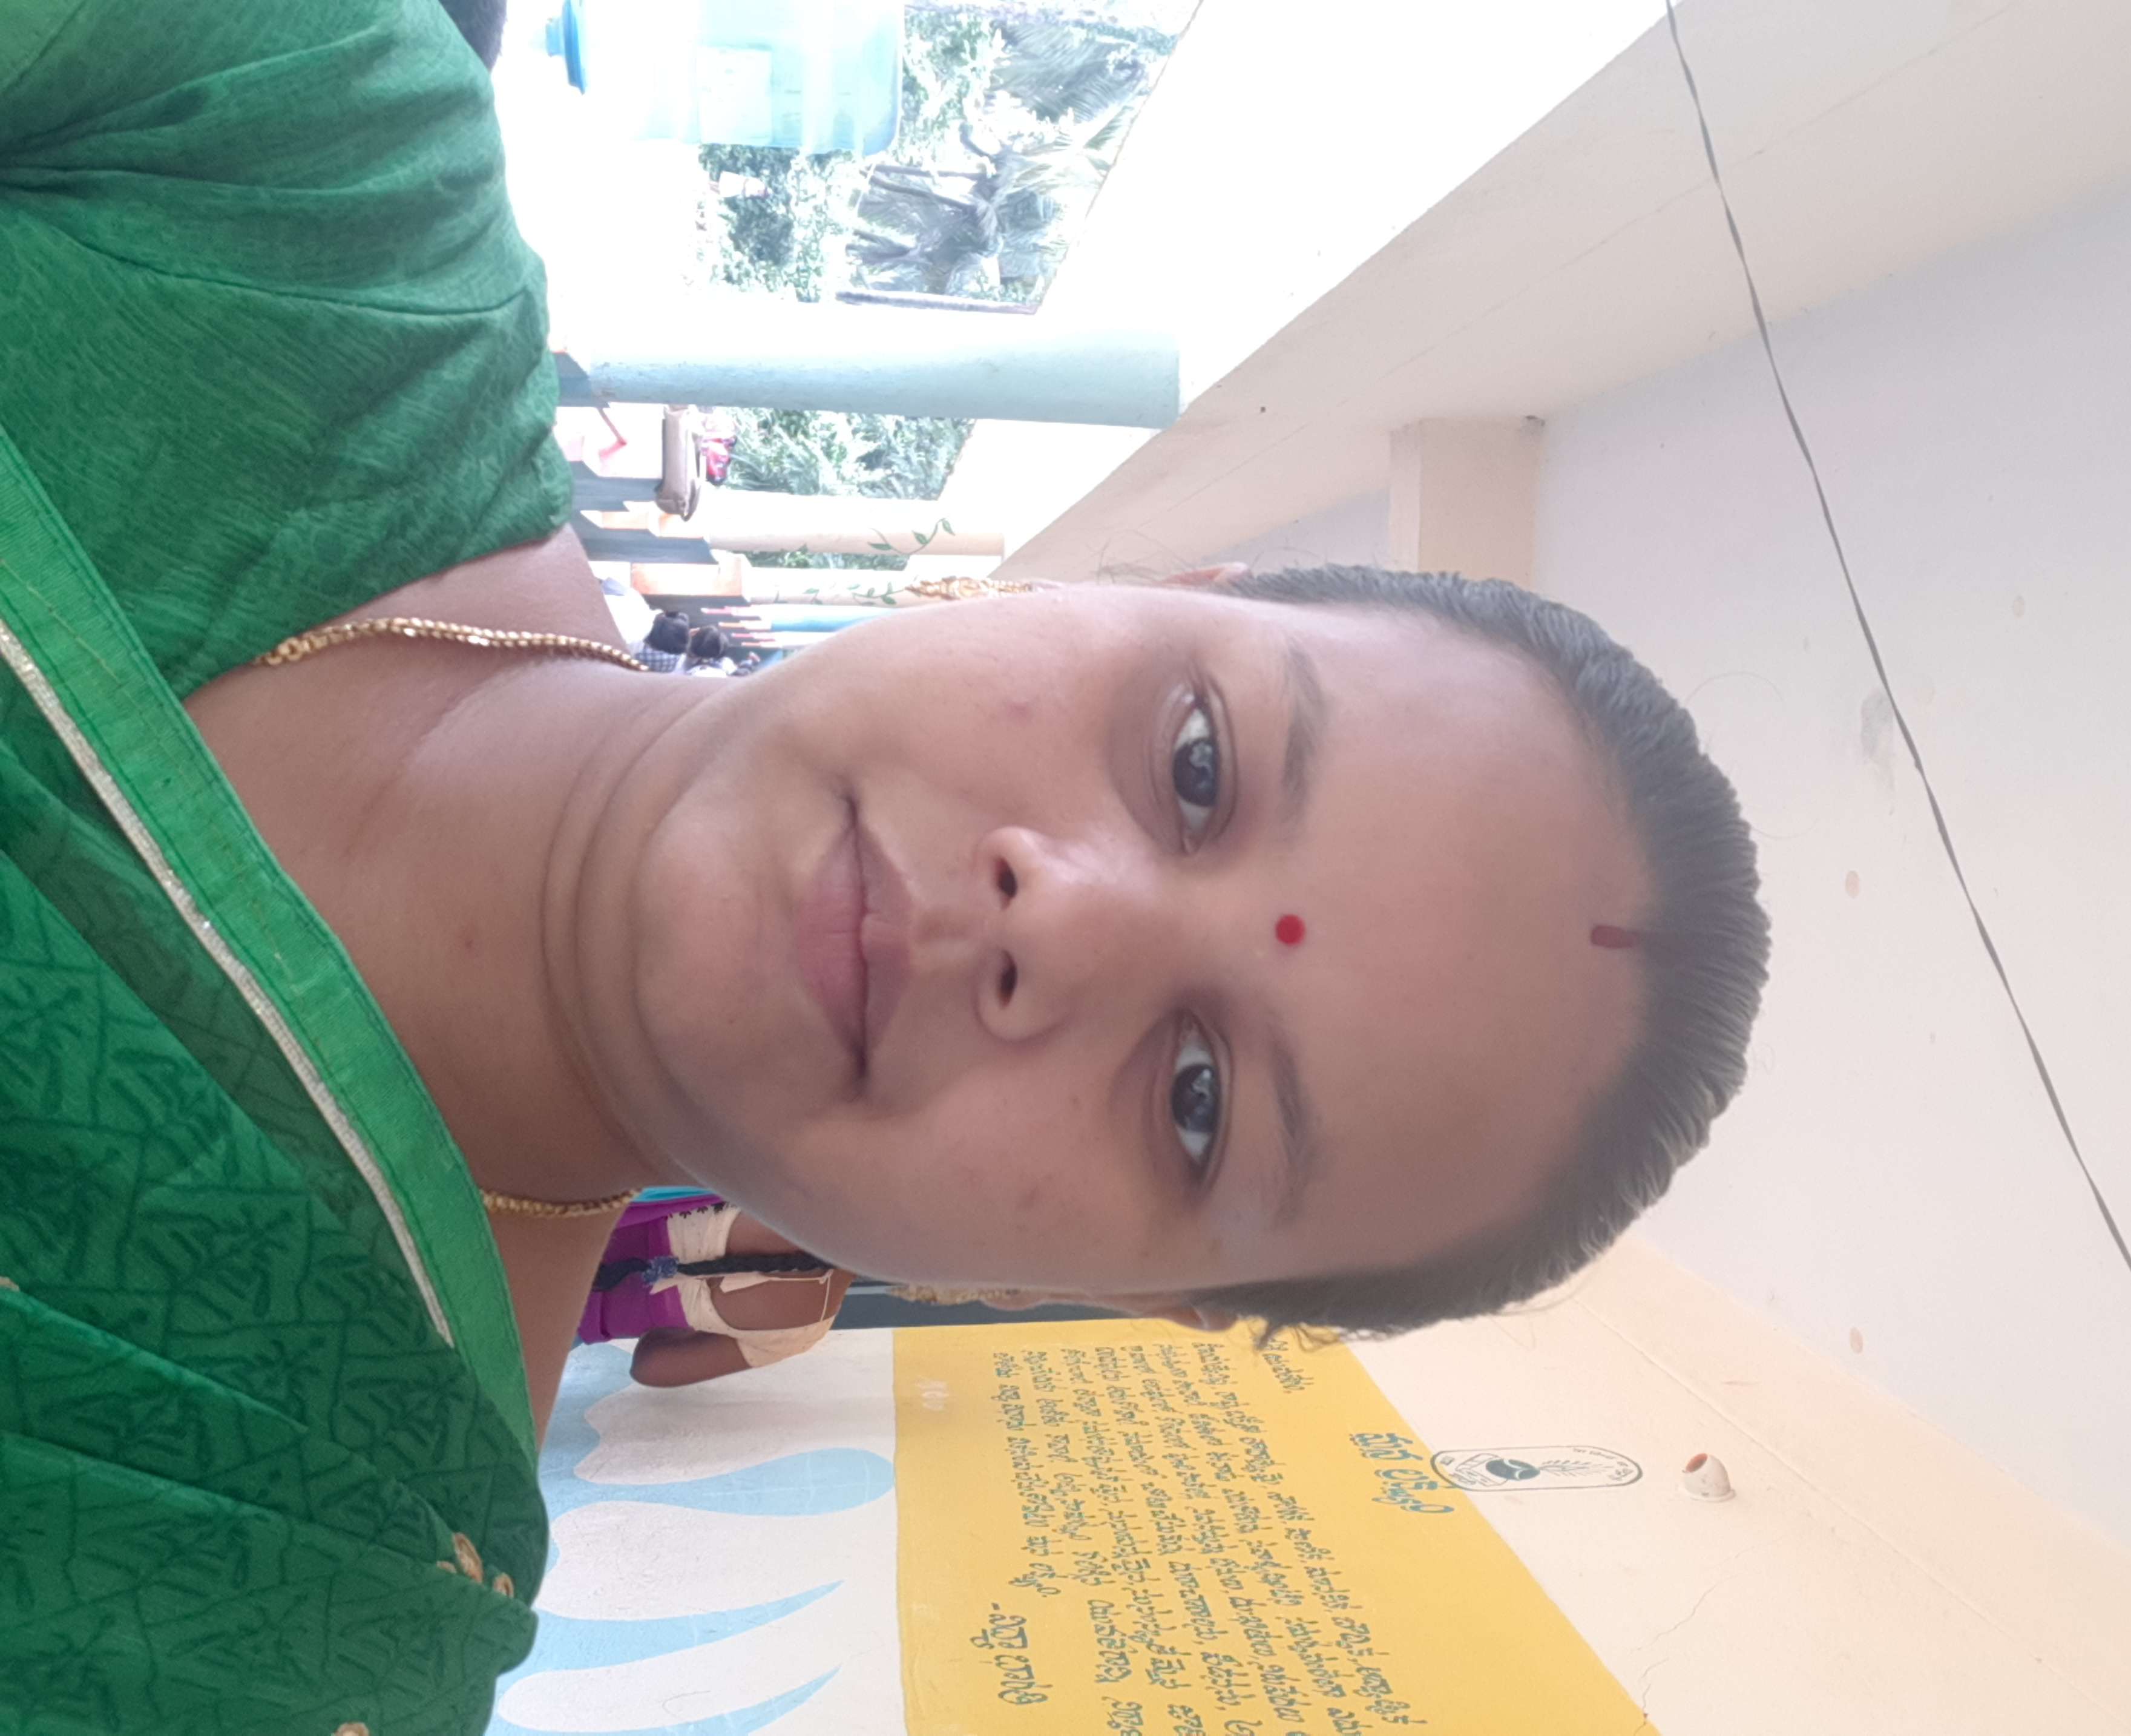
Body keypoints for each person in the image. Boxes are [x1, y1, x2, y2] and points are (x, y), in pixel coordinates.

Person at [0, 1, 1768, 1730]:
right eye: (1196, 763)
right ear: (1133, 584)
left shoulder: (295, 1596)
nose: (1060, 919)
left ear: (1088, 1298)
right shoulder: (315, 169)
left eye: (1197, 1100)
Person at [579, 1194, 854, 1387]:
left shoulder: (799, 1189)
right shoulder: (802, 1331)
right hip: (567, 1315)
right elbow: (650, 1368)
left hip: (569, 1209)